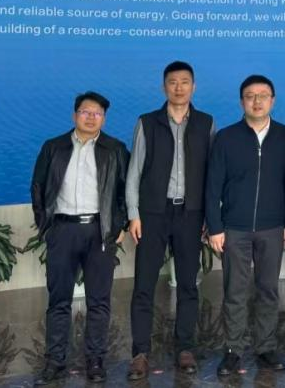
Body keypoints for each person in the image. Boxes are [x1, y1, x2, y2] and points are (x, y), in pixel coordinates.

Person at [30, 91, 128, 385]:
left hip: (99, 230)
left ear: (104, 118)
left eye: (97, 113)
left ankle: (96, 360)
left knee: (99, 300)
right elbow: (38, 186)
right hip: (63, 229)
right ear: (75, 115)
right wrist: (45, 225)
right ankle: (55, 361)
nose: (91, 117)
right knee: (58, 299)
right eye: (86, 112)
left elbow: (126, 190)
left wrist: (119, 225)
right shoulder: (53, 147)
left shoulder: (115, 149)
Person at [125, 61, 215, 380]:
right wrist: (133, 214)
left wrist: (210, 216)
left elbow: (212, 175)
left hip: (190, 214)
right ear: (164, 87)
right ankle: (140, 352)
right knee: (144, 284)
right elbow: (134, 171)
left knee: (188, 284)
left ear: (194, 86)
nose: (179, 87)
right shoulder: (147, 122)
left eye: (185, 82)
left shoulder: (206, 123)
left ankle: (185, 348)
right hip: (153, 213)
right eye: (173, 82)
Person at [205, 75, 285, 376]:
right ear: (241, 101)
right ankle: (233, 350)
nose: (257, 101)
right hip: (235, 228)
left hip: (272, 227)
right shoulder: (226, 138)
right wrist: (215, 227)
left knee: (268, 289)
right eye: (250, 96)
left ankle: (266, 347)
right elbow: (212, 186)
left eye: (263, 95)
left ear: (273, 100)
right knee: (235, 290)